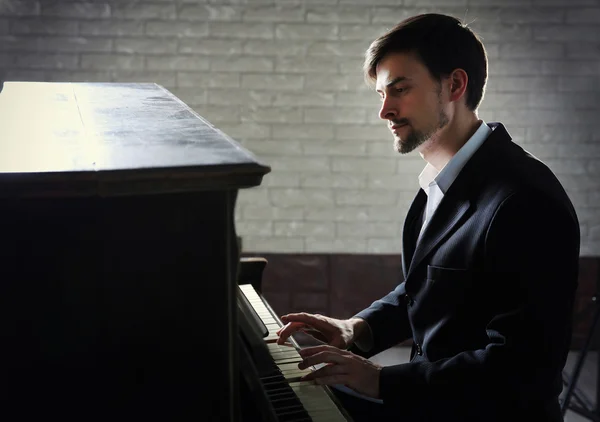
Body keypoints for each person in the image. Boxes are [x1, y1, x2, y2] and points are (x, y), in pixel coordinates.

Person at [276, 13, 580, 422]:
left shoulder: (525, 199)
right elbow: (433, 287)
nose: (385, 111)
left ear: (454, 85)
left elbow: (524, 369)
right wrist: (357, 329)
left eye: (400, 90)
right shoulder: (444, 180)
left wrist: (381, 381)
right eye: (381, 95)